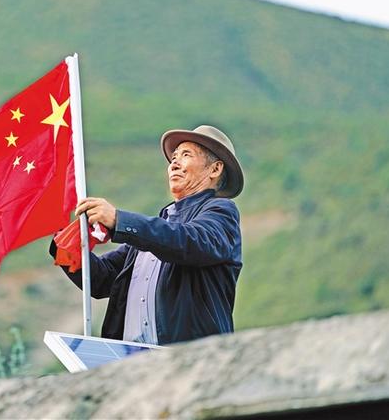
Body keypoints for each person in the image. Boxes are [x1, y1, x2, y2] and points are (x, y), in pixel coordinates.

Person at [51, 125, 244, 345]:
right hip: (135, 359)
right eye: (174, 157)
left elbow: (191, 241)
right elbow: (101, 280)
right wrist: (68, 246)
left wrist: (119, 220)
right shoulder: (155, 231)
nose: (174, 163)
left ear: (215, 169)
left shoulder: (221, 211)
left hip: (188, 355)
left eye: (186, 155)